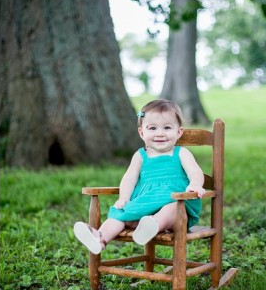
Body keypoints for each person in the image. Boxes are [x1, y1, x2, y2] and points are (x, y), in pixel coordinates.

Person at [74, 99, 206, 253]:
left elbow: (195, 172)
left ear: (179, 132)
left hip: (176, 205)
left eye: (167, 127)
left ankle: (152, 225)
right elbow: (129, 178)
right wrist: (124, 198)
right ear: (142, 132)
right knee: (120, 215)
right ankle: (100, 238)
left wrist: (195, 184)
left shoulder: (181, 153)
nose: (160, 133)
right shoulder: (140, 155)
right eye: (152, 128)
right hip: (145, 205)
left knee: (172, 208)